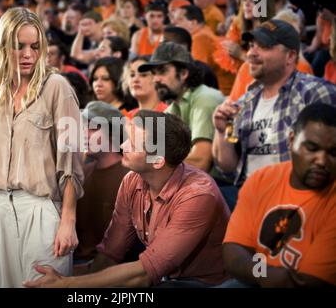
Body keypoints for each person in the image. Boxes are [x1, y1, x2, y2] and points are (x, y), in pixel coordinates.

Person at [23, 111, 230, 288]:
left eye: (133, 143)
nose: (122, 145)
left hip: (205, 284)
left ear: (157, 161)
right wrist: (63, 278)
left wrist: (67, 284)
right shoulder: (132, 180)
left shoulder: (199, 194)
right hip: (163, 280)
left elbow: (144, 273)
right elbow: (111, 254)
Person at [0, 7, 84, 288]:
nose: (28, 54)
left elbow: (72, 161)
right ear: (3, 47)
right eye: (19, 46)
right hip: (2, 208)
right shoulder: (0, 90)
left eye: (35, 46)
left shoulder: (58, 87)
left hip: (41, 210)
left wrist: (68, 221)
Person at [212, 19, 336, 190]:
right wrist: (221, 132)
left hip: (293, 197)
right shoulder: (244, 102)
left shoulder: (316, 93)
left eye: (263, 46)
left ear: (290, 56)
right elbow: (228, 168)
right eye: (251, 46)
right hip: (249, 194)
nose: (250, 54)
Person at [223, 103, 336, 287]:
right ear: (291, 141)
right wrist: (263, 274)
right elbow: (233, 253)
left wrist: (258, 272)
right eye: (312, 148)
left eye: (333, 153)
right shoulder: (261, 179)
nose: (322, 161)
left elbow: (309, 283)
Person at [139, 41, 224, 172]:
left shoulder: (205, 98)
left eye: (162, 71)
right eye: (154, 73)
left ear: (184, 73)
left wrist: (149, 166)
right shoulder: (171, 108)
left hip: (222, 185)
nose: (156, 79)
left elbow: (200, 162)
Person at [75, 101, 129, 263]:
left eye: (93, 128)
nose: (85, 133)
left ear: (113, 133)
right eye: (83, 127)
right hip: (74, 262)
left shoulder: (131, 176)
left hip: (111, 269)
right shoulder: (81, 173)